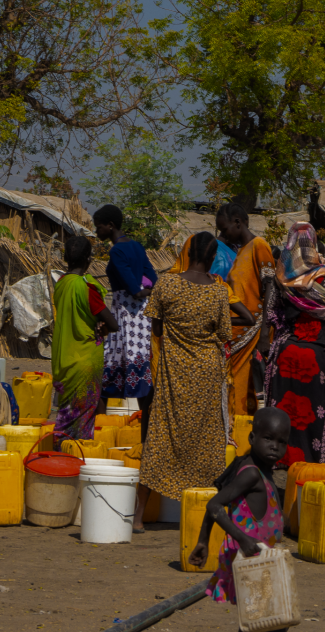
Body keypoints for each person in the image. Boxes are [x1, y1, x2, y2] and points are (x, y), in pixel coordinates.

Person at [189, 408, 292, 632]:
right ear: (252, 438)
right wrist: (243, 539)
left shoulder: (256, 471)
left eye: (281, 441)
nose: (274, 446)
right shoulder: (250, 473)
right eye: (267, 438)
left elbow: (218, 501)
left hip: (257, 560)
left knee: (250, 626)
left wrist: (203, 541)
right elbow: (215, 504)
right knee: (280, 621)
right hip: (252, 560)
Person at [141, 232, 236, 530]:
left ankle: (138, 518)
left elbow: (156, 327)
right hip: (207, 373)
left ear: (188, 252)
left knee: (161, 436)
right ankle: (208, 514)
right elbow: (224, 334)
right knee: (207, 440)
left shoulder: (166, 283)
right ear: (211, 259)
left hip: (174, 373)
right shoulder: (219, 292)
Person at [258, 221, 325, 465]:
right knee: (315, 411)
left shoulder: (281, 278)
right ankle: (314, 458)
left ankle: (280, 459)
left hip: (287, 354)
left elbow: (273, 314)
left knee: (283, 409)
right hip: (318, 357)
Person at [48, 234, 120, 448]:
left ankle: (60, 458)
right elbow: (113, 325)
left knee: (67, 414)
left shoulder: (61, 284)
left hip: (64, 359)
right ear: (89, 260)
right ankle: (70, 461)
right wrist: (101, 325)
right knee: (78, 425)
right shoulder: (87, 288)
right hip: (85, 360)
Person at [94, 205, 157, 408]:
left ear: (110, 226)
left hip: (126, 317)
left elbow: (134, 291)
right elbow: (153, 280)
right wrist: (146, 290)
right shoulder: (137, 246)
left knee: (109, 370)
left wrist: (140, 291)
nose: (97, 232)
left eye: (99, 227)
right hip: (144, 319)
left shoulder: (117, 251)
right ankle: (146, 432)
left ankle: (99, 427)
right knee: (142, 376)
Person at [213, 204, 273, 416]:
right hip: (237, 332)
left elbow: (270, 288)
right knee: (233, 385)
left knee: (244, 386)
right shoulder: (241, 251)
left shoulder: (259, 245)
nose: (223, 235)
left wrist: (265, 332)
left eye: (225, 229)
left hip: (253, 331)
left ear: (238, 223)